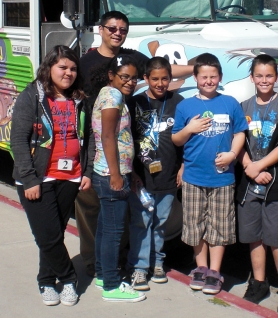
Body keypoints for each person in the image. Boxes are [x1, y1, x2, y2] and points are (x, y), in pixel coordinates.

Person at [76, 10, 192, 277]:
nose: (117, 33)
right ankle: (97, 264)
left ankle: (116, 261)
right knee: (93, 209)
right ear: (101, 29)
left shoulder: (132, 58)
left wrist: (199, 70)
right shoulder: (86, 62)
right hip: (99, 147)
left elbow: (161, 69)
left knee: (117, 215)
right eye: (112, 28)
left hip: (127, 143)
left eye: (123, 29)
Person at [10, 45, 93, 306]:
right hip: (38, 176)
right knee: (46, 235)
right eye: (62, 67)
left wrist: (87, 172)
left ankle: (46, 280)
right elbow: (18, 140)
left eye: (72, 68)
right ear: (49, 68)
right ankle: (69, 278)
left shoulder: (79, 99)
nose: (68, 73)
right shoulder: (31, 96)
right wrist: (30, 179)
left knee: (54, 233)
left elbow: (88, 139)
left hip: (70, 176)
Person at [172, 53, 248, 294]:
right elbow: (176, 139)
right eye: (203, 76)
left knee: (219, 225)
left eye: (213, 76)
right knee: (195, 225)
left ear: (220, 77)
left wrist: (233, 154)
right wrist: (189, 129)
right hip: (194, 177)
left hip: (223, 177)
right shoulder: (185, 106)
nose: (208, 81)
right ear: (195, 78)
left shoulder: (230, 103)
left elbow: (240, 133)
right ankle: (201, 268)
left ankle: (215, 272)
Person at [236, 55, 278, 315]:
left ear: (276, 78)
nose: (264, 80)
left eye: (269, 76)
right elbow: (236, 141)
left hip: (277, 182)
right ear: (252, 78)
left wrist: (259, 167)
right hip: (249, 183)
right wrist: (249, 167)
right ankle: (258, 282)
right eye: (259, 76)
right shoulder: (242, 107)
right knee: (254, 237)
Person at [90, 54, 145, 303]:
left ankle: (102, 274)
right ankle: (112, 286)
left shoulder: (109, 93)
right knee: (113, 231)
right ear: (112, 75)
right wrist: (115, 174)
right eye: (125, 77)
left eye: (134, 78)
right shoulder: (112, 96)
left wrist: (127, 171)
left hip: (112, 171)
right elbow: (109, 136)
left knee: (105, 226)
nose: (131, 82)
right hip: (110, 173)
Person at [127, 57, 184, 290]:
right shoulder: (135, 103)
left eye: (165, 79)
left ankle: (157, 262)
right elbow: (126, 139)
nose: (160, 84)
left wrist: (183, 166)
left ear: (170, 79)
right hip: (141, 176)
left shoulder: (179, 102)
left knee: (160, 223)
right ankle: (139, 268)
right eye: (155, 79)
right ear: (145, 79)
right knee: (141, 222)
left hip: (169, 175)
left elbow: (186, 140)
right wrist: (130, 171)